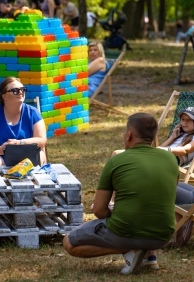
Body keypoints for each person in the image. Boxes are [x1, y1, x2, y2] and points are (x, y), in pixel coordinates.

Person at [62, 113, 178, 275]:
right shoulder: (171, 159)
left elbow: (99, 211)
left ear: (129, 135)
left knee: (69, 243)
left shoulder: (117, 161)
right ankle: (148, 254)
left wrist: (112, 212)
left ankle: (130, 249)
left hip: (125, 231)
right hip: (162, 235)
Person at [0, 77, 47, 168]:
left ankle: (34, 181)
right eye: (15, 90)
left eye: (22, 89)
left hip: (26, 158)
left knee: (40, 155)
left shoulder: (32, 113)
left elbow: (41, 140)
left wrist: (20, 143)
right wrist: (1, 149)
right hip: (0, 158)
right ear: (4, 96)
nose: (20, 92)